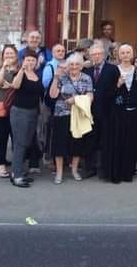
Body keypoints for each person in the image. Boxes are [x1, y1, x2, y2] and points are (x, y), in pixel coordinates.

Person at [48, 53, 94, 184]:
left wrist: (76, 100)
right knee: (59, 144)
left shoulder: (86, 78)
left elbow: (90, 96)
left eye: (77, 64)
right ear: (67, 66)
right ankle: (59, 172)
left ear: (81, 66)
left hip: (78, 114)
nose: (74, 66)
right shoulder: (62, 77)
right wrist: (56, 78)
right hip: (61, 114)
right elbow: (52, 95)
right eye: (71, 64)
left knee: (77, 144)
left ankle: (74, 170)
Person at [104, 44, 137, 184]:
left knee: (131, 143)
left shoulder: (136, 71)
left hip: (133, 112)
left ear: (132, 54)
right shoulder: (113, 70)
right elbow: (107, 94)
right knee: (117, 142)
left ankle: (128, 173)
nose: (126, 55)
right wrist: (117, 85)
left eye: (128, 52)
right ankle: (116, 174)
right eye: (123, 52)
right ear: (119, 55)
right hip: (117, 113)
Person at [9, 49, 44, 187]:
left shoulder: (35, 75)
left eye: (33, 60)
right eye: (28, 60)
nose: (30, 62)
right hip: (20, 112)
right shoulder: (20, 74)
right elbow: (15, 86)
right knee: (20, 144)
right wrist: (22, 70)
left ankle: (16, 172)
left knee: (26, 143)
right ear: (23, 61)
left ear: (36, 63)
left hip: (33, 112)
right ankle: (17, 176)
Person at [84, 43, 120, 179]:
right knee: (90, 140)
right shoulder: (87, 71)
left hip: (107, 111)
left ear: (104, 55)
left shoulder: (113, 69)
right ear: (91, 56)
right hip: (90, 112)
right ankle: (90, 168)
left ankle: (105, 168)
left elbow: (117, 89)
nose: (96, 56)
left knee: (106, 140)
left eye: (99, 54)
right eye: (94, 54)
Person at [0, 44, 19, 179]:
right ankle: (0, 164)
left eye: (11, 54)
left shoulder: (19, 69)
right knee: (0, 136)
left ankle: (16, 165)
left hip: (16, 108)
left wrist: (10, 86)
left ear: (16, 56)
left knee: (16, 137)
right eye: (6, 54)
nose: (9, 56)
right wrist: (3, 68)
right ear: (2, 56)